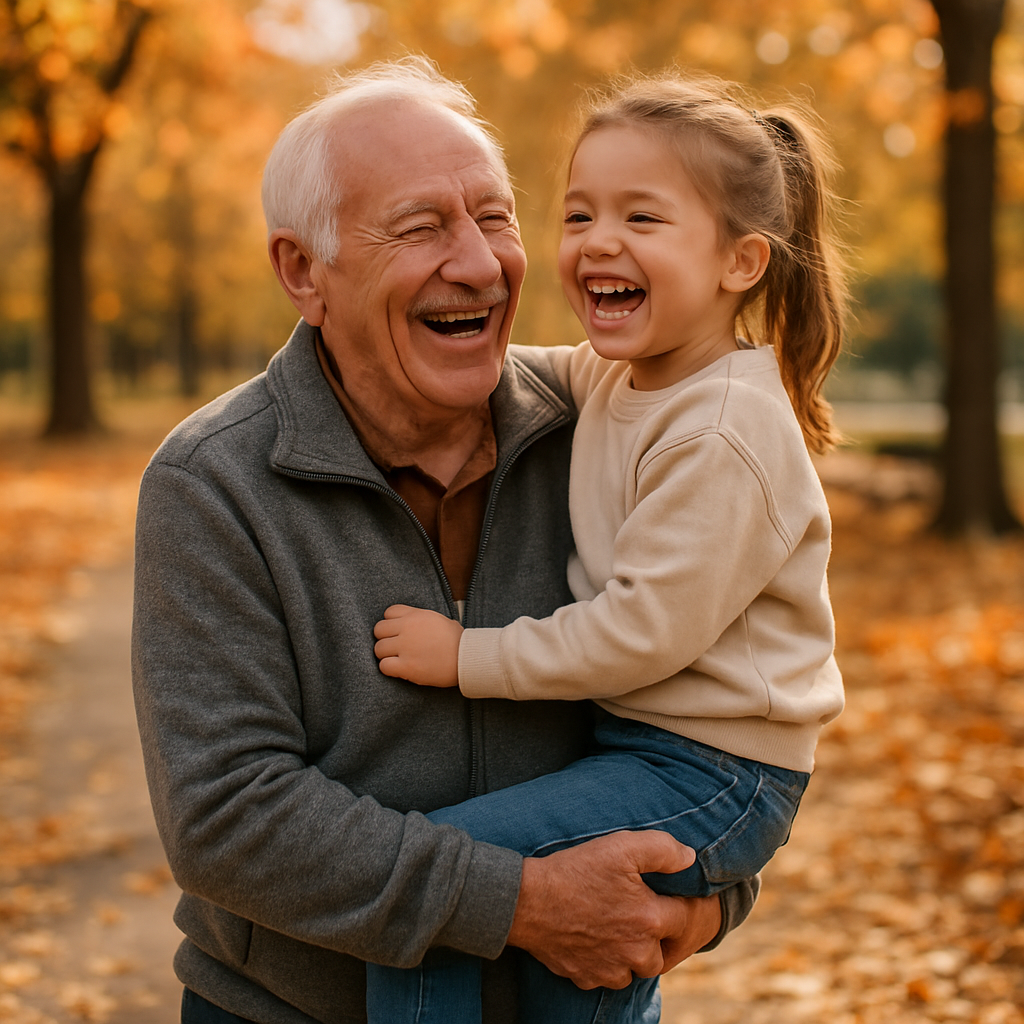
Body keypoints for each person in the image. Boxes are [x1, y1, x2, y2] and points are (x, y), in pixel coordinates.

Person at [131, 58, 760, 1024]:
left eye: (496, 217)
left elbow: (720, 716)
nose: (478, 262)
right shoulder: (214, 482)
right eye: (421, 226)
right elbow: (227, 818)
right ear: (305, 271)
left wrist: (708, 900)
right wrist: (522, 906)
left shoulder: (606, 430)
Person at [368, 72, 847, 1024]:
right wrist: (404, 346)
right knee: (575, 966)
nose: (599, 242)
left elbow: (638, 634)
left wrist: (468, 656)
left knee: (433, 884)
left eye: (643, 217)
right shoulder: (632, 376)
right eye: (579, 214)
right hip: (655, 750)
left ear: (741, 262)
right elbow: (524, 369)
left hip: (715, 769)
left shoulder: (722, 430)